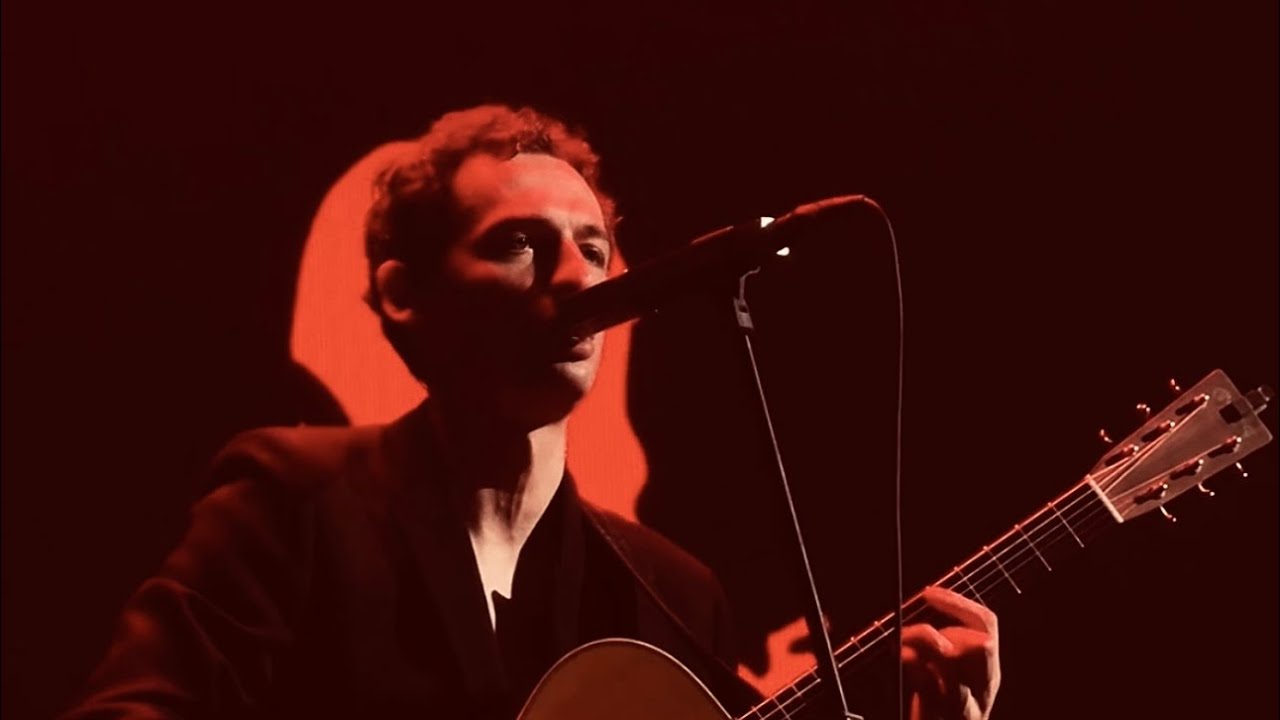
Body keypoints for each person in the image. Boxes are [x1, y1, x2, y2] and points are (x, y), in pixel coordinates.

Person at [62, 105, 1000, 719]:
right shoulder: (292, 500)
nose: (575, 279)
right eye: (517, 243)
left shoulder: (674, 597)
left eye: (593, 248)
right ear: (404, 296)